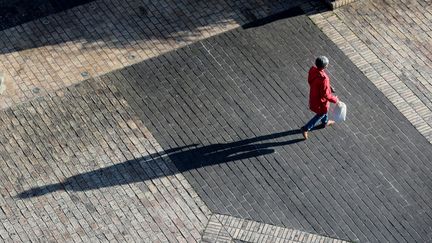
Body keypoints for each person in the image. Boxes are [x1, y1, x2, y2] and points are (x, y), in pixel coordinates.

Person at [301, 56, 339, 140]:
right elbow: (326, 95)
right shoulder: (323, 79)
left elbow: (318, 84)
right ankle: (306, 128)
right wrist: (336, 100)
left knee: (324, 111)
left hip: (314, 95)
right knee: (321, 113)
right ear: (325, 67)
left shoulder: (313, 70)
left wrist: (328, 87)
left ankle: (324, 123)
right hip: (320, 101)